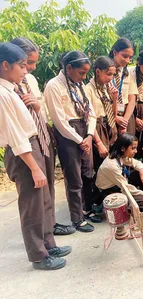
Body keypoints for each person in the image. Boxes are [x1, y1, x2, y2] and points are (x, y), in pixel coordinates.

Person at [0, 42, 70, 270]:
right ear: (5, 65)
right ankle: (39, 255)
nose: (26, 71)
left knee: (43, 200)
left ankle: (48, 244)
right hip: (23, 152)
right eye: (22, 65)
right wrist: (33, 166)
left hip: (32, 146)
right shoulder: (3, 94)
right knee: (31, 206)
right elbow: (16, 135)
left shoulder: (11, 88)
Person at [10, 37, 75, 235]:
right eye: (28, 62)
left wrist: (37, 106)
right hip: (24, 142)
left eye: (33, 62)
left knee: (47, 188)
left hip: (42, 137)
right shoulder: (7, 87)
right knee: (32, 197)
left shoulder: (29, 80)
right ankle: (39, 244)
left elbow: (41, 108)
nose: (32, 67)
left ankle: (50, 226)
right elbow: (13, 128)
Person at [44, 51, 99, 232]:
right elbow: (59, 121)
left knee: (87, 173)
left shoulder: (79, 85)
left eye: (85, 73)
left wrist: (90, 135)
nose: (84, 77)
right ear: (68, 68)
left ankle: (87, 209)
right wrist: (79, 139)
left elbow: (91, 113)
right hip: (68, 135)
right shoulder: (54, 86)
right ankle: (77, 217)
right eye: (81, 72)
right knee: (74, 178)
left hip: (85, 133)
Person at [86, 56, 119, 213]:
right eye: (108, 74)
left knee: (109, 164)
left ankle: (108, 199)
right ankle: (96, 202)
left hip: (109, 126)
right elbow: (89, 119)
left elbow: (112, 113)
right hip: (97, 128)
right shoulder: (89, 89)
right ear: (97, 71)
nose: (110, 78)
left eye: (113, 74)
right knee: (100, 166)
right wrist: (98, 142)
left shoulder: (106, 87)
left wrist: (115, 98)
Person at [95, 133, 143, 212]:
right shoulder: (111, 165)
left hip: (120, 183)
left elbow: (135, 162)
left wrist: (141, 171)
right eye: (133, 148)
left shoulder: (120, 156)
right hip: (111, 190)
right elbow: (125, 187)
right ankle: (110, 207)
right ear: (123, 148)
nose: (136, 151)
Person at [109, 38, 138, 135]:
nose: (127, 60)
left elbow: (132, 99)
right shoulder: (105, 72)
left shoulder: (128, 73)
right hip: (109, 116)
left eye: (130, 57)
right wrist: (115, 117)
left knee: (128, 148)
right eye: (125, 56)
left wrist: (124, 122)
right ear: (115, 53)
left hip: (126, 117)